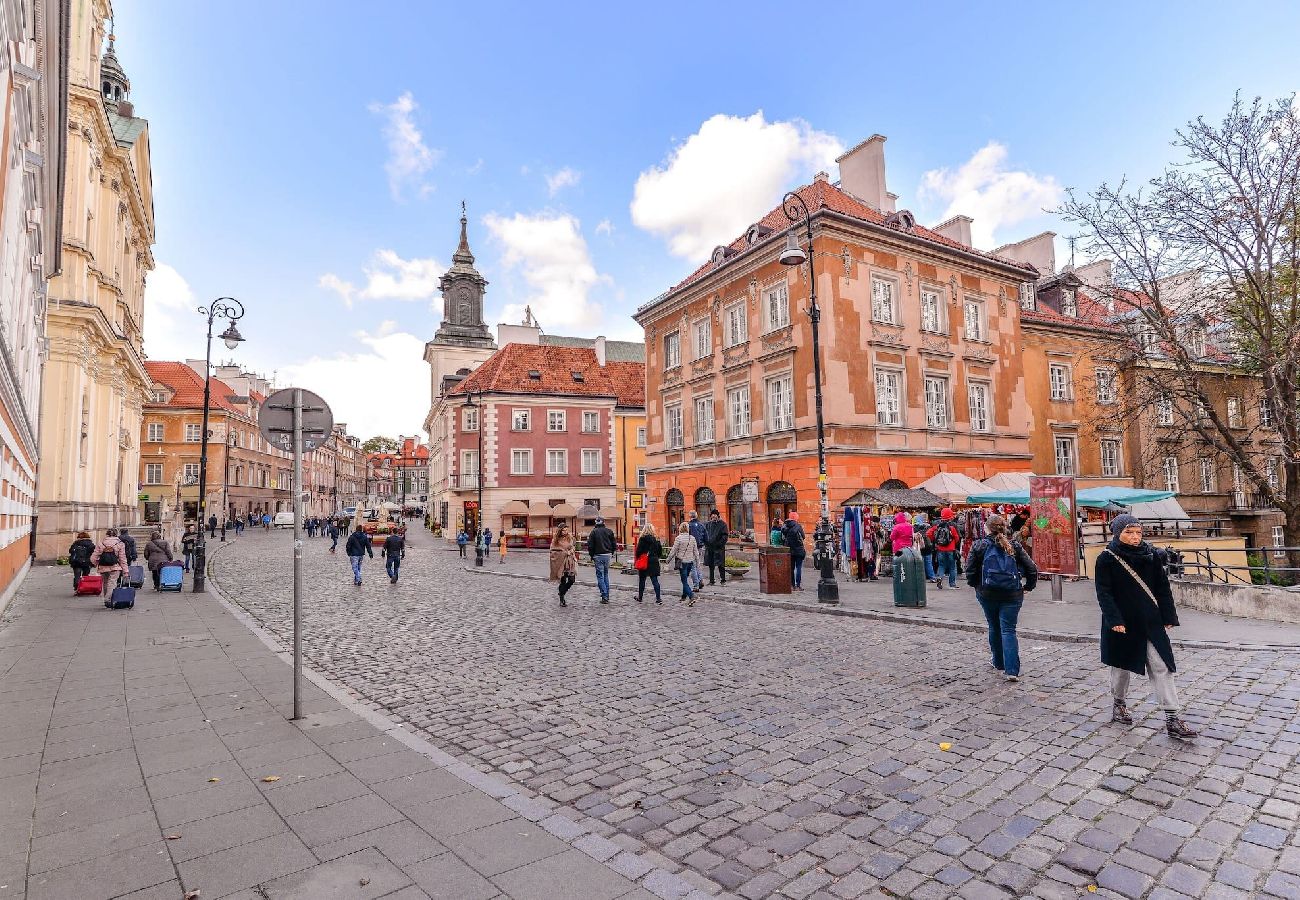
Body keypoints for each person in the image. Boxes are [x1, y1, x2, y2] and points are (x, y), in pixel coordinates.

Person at [1095, 514, 1198, 740]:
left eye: (1138, 532)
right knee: (1121, 667)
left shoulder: (1150, 557)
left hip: (1150, 622)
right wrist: (1115, 620)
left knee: (1162, 666)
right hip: (1123, 623)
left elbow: (1162, 588)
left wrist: (1168, 615)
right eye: (1129, 532)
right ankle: (1119, 703)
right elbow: (1104, 593)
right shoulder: (1106, 558)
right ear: (1118, 533)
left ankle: (1172, 717)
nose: (1134, 537)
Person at [966, 514, 1037, 682]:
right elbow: (1032, 568)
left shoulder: (979, 545)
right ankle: (1012, 670)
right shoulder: (1014, 546)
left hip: (987, 592)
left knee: (993, 626)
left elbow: (969, 570)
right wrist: (1028, 586)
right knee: (1008, 629)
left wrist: (976, 585)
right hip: (1012, 593)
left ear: (987, 528)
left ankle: (998, 662)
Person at [667, 522, 703, 606]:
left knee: (684, 581)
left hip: (682, 563)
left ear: (680, 528)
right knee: (685, 579)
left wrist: (668, 559)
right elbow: (696, 552)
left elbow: (673, 551)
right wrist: (698, 563)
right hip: (690, 562)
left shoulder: (678, 538)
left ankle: (691, 596)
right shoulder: (692, 538)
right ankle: (683, 596)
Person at [928, 508, 961, 590]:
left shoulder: (936, 525)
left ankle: (939, 577)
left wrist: (935, 540)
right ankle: (952, 584)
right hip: (951, 549)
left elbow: (928, 533)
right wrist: (953, 543)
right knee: (952, 567)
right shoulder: (952, 526)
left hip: (940, 549)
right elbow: (957, 538)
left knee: (941, 565)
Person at [587, 517, 617, 604]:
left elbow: (590, 546)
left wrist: (591, 555)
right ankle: (606, 594)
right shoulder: (609, 531)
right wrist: (612, 552)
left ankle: (604, 596)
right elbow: (614, 544)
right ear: (604, 522)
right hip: (607, 555)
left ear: (596, 523)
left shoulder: (593, 532)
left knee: (600, 576)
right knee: (606, 575)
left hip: (598, 555)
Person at [90, 528, 128, 596]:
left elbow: (94, 556)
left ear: (107, 534)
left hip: (103, 566)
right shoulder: (120, 543)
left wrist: (95, 564)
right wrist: (125, 571)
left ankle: (106, 598)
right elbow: (122, 558)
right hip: (115, 566)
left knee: (105, 583)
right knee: (112, 582)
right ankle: (109, 598)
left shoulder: (101, 543)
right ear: (116, 534)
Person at [634, 523, 663, 604]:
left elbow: (638, 551)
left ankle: (640, 597)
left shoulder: (642, 539)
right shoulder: (656, 539)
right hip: (653, 561)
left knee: (642, 580)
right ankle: (658, 598)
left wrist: (639, 557)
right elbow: (660, 551)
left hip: (644, 561)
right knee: (655, 580)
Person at [782, 512, 807, 590]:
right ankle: (798, 585)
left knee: (791, 568)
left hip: (789, 550)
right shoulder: (798, 526)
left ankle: (792, 585)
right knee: (798, 567)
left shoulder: (785, 526)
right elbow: (803, 537)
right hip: (798, 550)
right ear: (796, 518)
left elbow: (782, 538)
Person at [704, 510, 730, 585]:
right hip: (710, 548)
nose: (713, 516)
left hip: (719, 548)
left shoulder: (723, 524)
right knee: (711, 565)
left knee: (721, 565)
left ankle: (723, 580)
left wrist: (720, 544)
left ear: (718, 516)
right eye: (712, 515)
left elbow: (725, 536)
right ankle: (711, 581)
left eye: (715, 515)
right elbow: (705, 534)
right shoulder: (708, 524)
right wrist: (706, 543)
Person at [555, 525, 578, 607]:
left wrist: (572, 550)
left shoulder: (570, 538)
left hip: (570, 561)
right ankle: (562, 599)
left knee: (572, 580)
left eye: (566, 530)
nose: (565, 532)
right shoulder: (556, 540)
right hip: (561, 562)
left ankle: (562, 592)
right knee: (563, 580)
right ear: (560, 531)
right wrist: (564, 552)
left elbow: (573, 546)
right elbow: (553, 550)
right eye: (563, 530)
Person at [687, 511, 707, 593]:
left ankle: (696, 585)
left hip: (691, 548)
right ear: (696, 516)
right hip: (700, 547)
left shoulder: (689, 526)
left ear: (689, 516)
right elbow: (706, 537)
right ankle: (700, 580)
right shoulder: (702, 525)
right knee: (698, 565)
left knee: (693, 567)